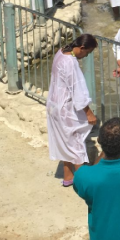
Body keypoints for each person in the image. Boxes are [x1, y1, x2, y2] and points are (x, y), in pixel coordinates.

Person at [46, 34, 98, 187]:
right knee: (76, 143)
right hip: (64, 107)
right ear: (82, 48)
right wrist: (89, 112)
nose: (85, 56)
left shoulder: (61, 52)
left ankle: (68, 176)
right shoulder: (70, 62)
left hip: (53, 105)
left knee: (65, 141)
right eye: (87, 53)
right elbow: (78, 90)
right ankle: (84, 181)